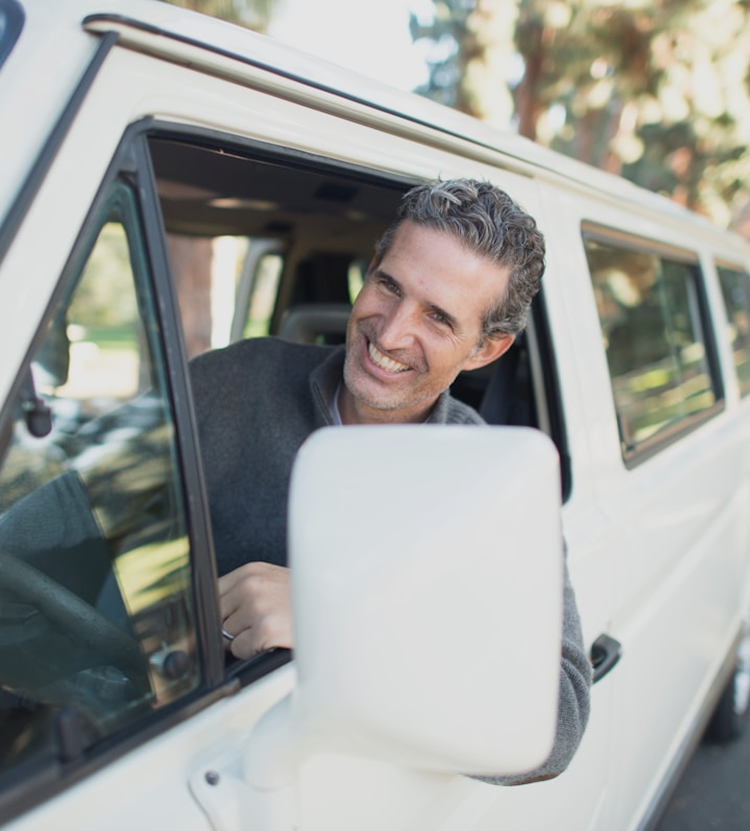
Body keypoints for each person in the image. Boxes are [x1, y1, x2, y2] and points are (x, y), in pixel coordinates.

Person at [189, 178, 591, 784]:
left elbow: (558, 722)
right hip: (164, 758)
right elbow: (73, 526)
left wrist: (338, 622)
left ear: (486, 350)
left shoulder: (496, 485)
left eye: (438, 317)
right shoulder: (232, 381)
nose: (391, 332)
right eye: (389, 286)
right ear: (372, 267)